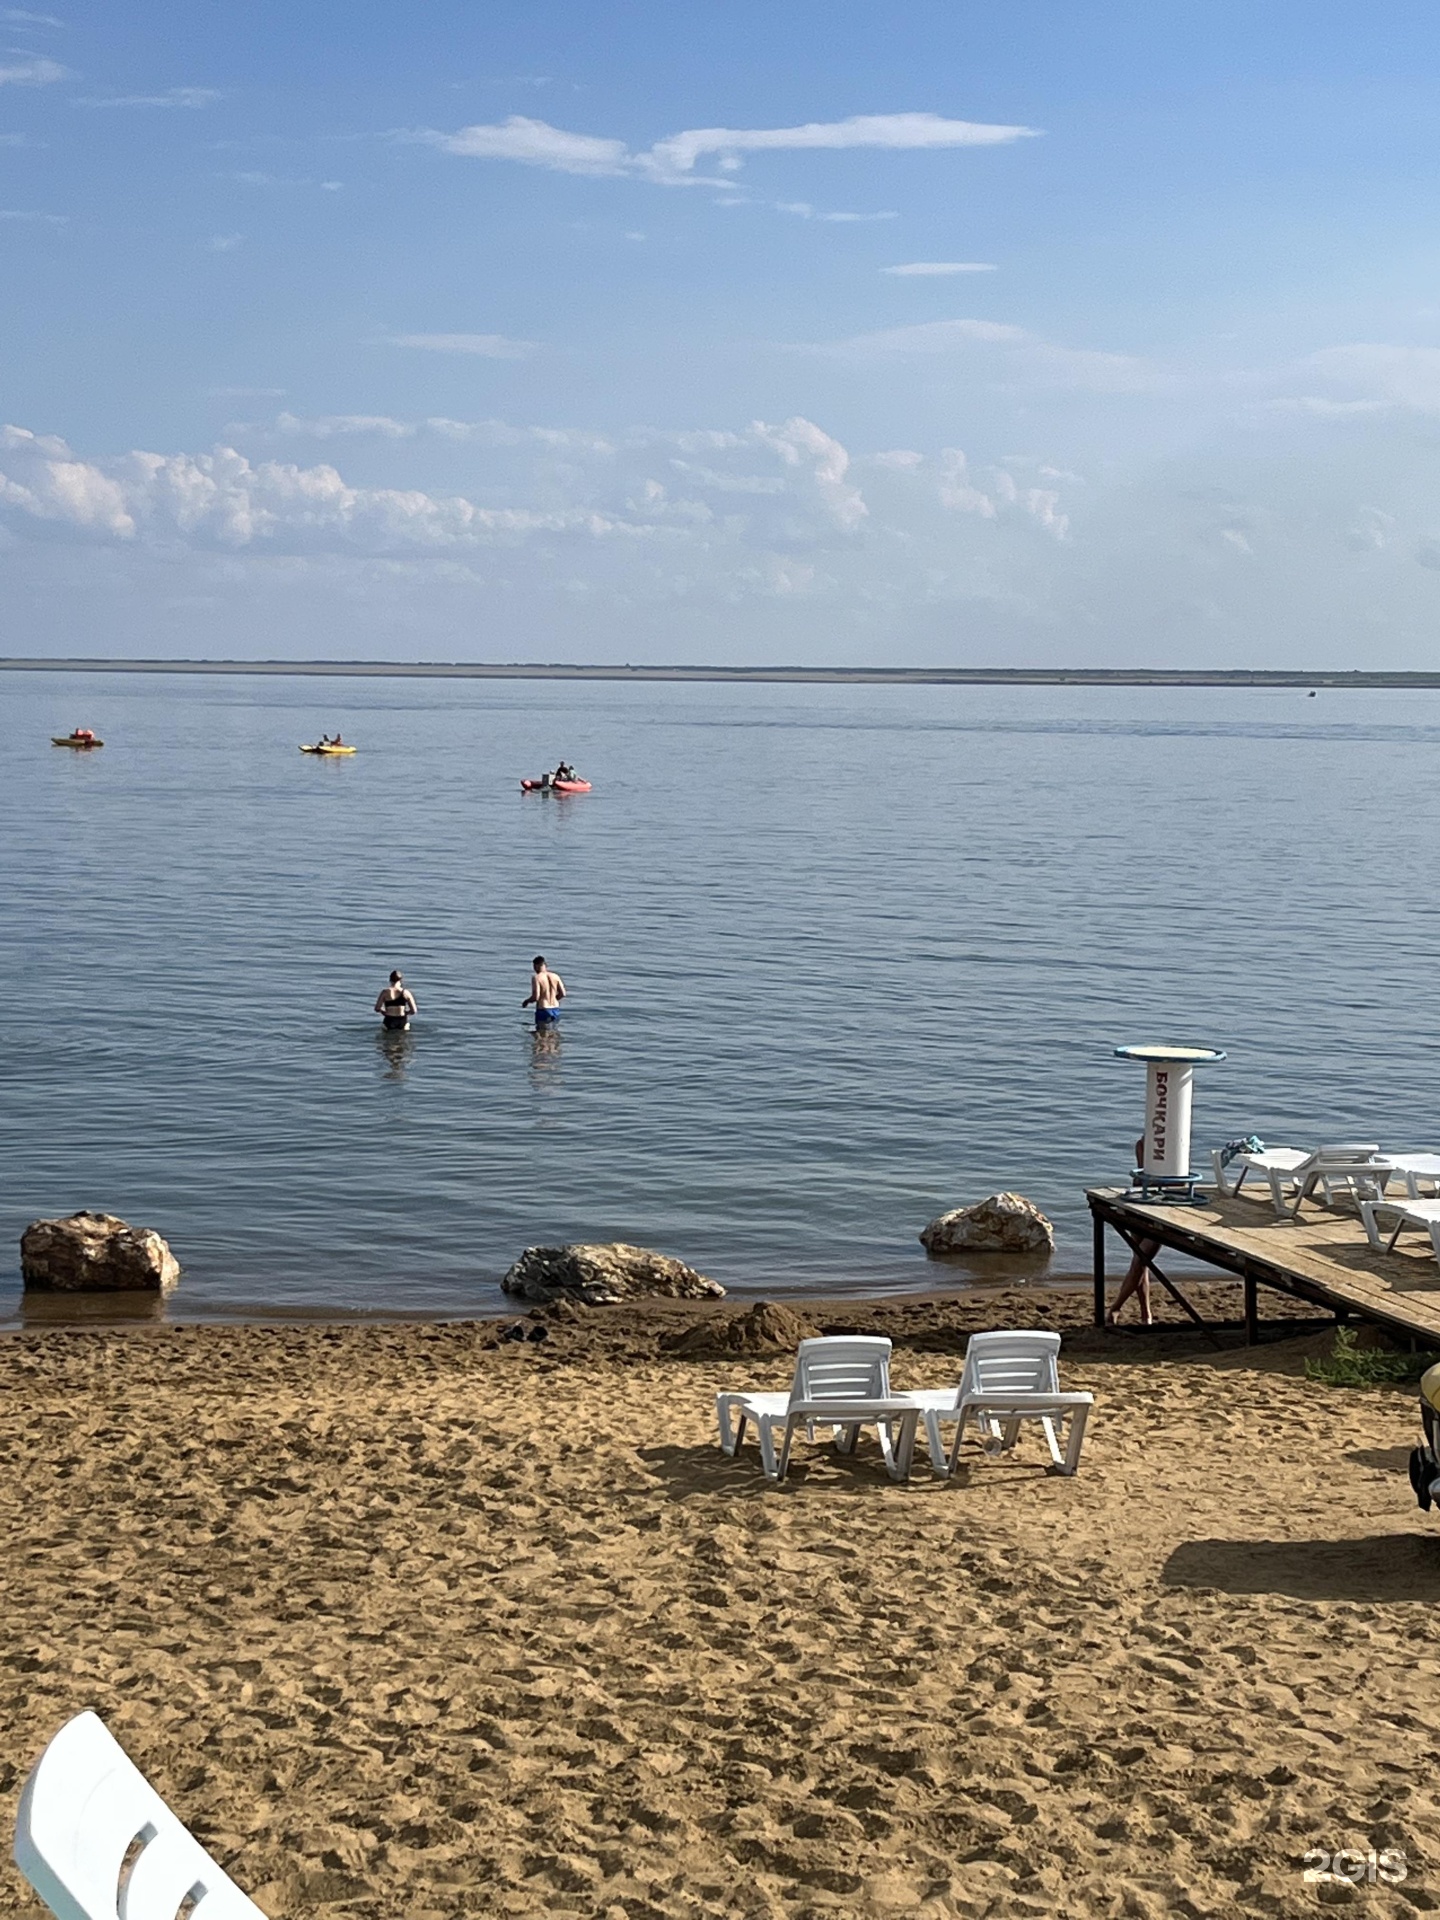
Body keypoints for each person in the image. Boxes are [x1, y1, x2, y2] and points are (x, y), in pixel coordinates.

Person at [1109, 1136, 1158, 1326]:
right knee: (1140, 1262)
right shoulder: (1149, 1147)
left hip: (1142, 1203)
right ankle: (1124, 1310)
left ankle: (1140, 1313)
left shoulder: (1143, 1146)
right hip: (1144, 1205)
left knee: (1140, 1261)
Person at [522, 954, 565, 1025]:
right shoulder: (555, 976)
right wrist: (554, 998)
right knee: (554, 1033)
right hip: (555, 1009)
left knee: (541, 1033)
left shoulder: (537, 978)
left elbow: (536, 996)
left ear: (536, 966)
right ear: (545, 965)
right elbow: (563, 993)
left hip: (543, 1009)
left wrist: (527, 1001)